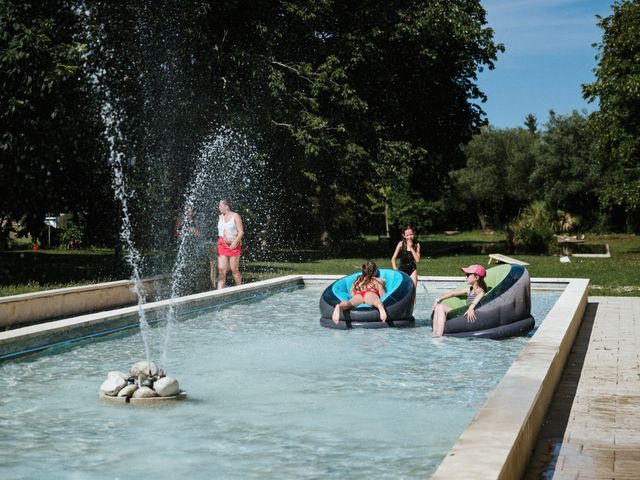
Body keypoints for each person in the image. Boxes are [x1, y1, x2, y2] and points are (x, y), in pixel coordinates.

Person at [431, 264, 487, 337]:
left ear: (476, 277)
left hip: (467, 315)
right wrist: (438, 299)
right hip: (464, 312)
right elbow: (453, 293)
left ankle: (439, 335)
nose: (466, 277)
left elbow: (481, 294)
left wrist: (471, 307)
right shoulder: (469, 289)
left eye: (468, 275)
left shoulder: (479, 290)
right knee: (438, 306)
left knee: (441, 307)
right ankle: (434, 332)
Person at [214, 198, 244, 289]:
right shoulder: (220, 217)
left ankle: (240, 289)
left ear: (226, 206)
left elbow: (241, 232)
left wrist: (235, 242)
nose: (219, 207)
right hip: (222, 245)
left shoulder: (235, 216)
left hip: (233, 246)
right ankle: (219, 293)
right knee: (221, 270)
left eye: (220, 205)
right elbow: (221, 233)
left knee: (234, 270)